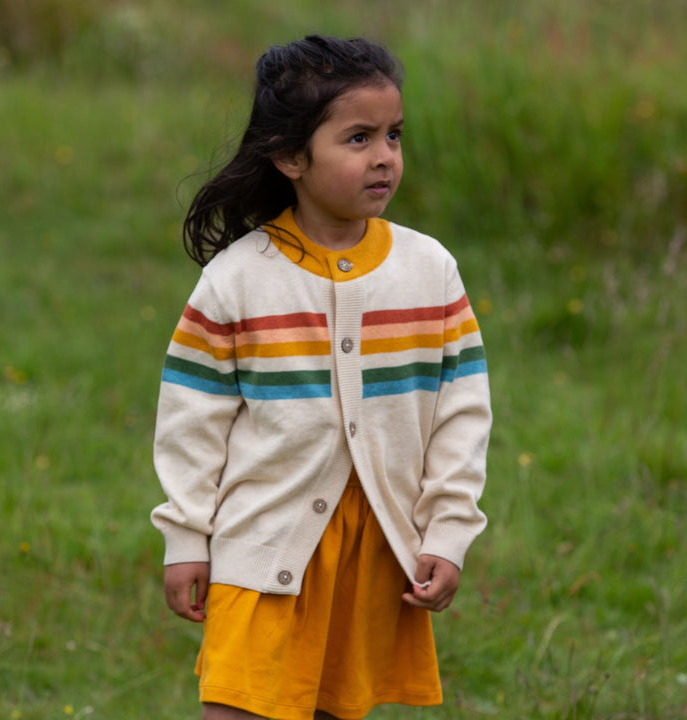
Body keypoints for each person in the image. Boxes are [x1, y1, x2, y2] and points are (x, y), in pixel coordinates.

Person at [151, 34, 492, 720]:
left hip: (373, 559)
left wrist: (448, 531)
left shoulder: (431, 271)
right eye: (359, 137)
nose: (384, 157)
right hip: (260, 549)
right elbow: (193, 417)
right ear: (289, 157)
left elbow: (462, 410)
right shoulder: (237, 279)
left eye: (394, 135)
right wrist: (187, 536)